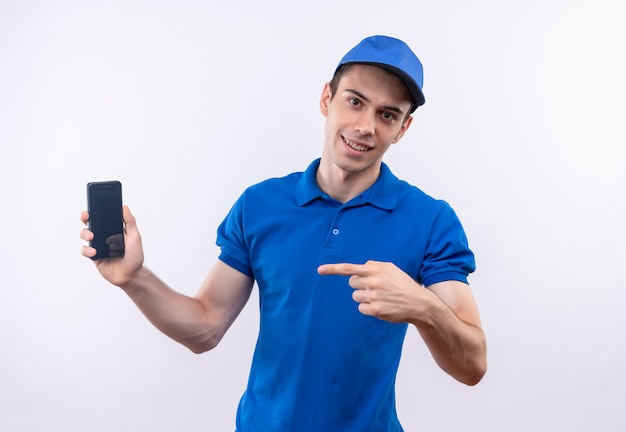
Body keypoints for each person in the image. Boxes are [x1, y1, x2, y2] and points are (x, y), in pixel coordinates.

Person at [80, 35, 487, 431]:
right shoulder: (260, 205)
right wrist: (134, 279)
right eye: (355, 102)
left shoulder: (430, 220)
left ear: (402, 128)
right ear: (327, 98)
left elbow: (473, 366)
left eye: (387, 114)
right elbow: (204, 327)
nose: (365, 126)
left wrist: (423, 307)